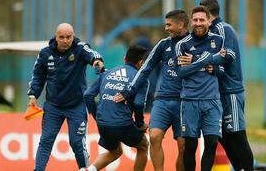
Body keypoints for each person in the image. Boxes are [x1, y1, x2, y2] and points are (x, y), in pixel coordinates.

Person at [114, 10, 190, 171]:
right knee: (155, 136)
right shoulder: (163, 44)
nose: (166, 28)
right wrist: (129, 91)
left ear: (181, 25)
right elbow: (145, 69)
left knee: (184, 147)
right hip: (162, 100)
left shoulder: (194, 44)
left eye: (169, 24)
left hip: (185, 101)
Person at [27, 23, 104, 171]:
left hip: (77, 106)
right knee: (46, 141)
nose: (65, 40)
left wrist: (97, 61)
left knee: (76, 142)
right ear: (56, 37)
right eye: (61, 37)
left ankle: (84, 169)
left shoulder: (80, 49)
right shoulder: (45, 53)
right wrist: (33, 95)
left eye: (68, 37)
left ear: (73, 36)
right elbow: (38, 76)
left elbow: (92, 54)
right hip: (53, 106)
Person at [200, 0, 254, 170]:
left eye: (201, 16)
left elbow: (227, 56)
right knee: (223, 136)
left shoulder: (224, 29)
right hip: (216, 94)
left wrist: (208, 61)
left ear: (208, 15)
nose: (198, 21)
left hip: (230, 91)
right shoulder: (209, 33)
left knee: (237, 135)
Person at [84, 45, 149, 171]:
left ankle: (89, 169)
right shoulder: (140, 78)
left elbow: (87, 95)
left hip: (103, 124)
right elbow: (139, 104)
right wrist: (140, 123)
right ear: (141, 63)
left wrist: (99, 116)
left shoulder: (107, 73)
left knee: (115, 151)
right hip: (122, 124)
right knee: (143, 146)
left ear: (125, 58)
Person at [174, 6, 225, 171]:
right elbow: (181, 72)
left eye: (202, 20)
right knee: (190, 145)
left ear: (209, 21)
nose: (198, 23)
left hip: (212, 100)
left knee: (211, 142)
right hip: (190, 100)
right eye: (195, 20)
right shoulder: (182, 44)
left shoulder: (218, 40)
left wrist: (207, 65)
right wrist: (206, 61)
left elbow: (222, 67)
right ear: (191, 22)